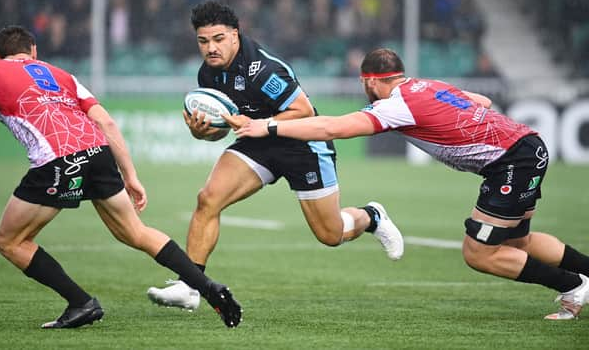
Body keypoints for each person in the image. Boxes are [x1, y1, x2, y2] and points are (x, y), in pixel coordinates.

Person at [231, 48, 589, 320]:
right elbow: (482, 100)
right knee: (519, 241)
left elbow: (332, 128)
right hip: (526, 148)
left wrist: (270, 126)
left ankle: (572, 285)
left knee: (478, 253)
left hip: (513, 162)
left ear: (370, 81)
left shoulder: (394, 105)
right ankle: (583, 276)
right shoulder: (424, 85)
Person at [0, 25, 241, 329]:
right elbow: (106, 122)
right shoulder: (61, 75)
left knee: (9, 241)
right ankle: (209, 288)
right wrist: (130, 175)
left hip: (58, 160)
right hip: (98, 153)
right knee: (135, 232)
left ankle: (80, 303)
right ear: (34, 51)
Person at [146, 0, 404, 310]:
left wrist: (259, 125)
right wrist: (202, 131)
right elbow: (225, 128)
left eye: (218, 39)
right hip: (260, 143)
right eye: (203, 41)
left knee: (330, 234)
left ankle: (372, 216)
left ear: (235, 35)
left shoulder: (261, 68)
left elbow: (303, 111)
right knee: (208, 199)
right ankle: (191, 285)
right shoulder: (209, 75)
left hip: (302, 143)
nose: (210, 48)